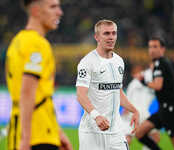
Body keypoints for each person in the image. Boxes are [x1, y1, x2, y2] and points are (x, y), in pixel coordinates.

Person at [5, 0, 73, 150]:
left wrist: (58, 132)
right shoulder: (38, 45)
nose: (59, 12)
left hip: (24, 130)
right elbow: (27, 92)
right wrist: (26, 139)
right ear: (36, 11)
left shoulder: (18, 41)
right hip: (38, 136)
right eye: (53, 6)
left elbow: (40, 95)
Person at [76, 19, 139, 150]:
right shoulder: (87, 62)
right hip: (91, 133)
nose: (111, 37)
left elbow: (118, 92)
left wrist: (134, 110)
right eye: (106, 33)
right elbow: (81, 95)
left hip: (116, 132)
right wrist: (96, 116)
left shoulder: (119, 61)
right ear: (97, 37)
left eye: (113, 33)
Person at [135, 36, 174, 150]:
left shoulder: (160, 63)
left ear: (163, 49)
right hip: (163, 109)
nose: (152, 50)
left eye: (155, 46)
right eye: (150, 47)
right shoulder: (168, 62)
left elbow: (158, 86)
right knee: (139, 133)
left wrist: (143, 81)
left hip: (169, 110)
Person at [121, 64, 160, 150]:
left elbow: (127, 97)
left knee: (127, 138)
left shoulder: (133, 82)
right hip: (141, 112)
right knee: (155, 137)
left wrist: (126, 108)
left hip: (132, 111)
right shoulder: (151, 76)